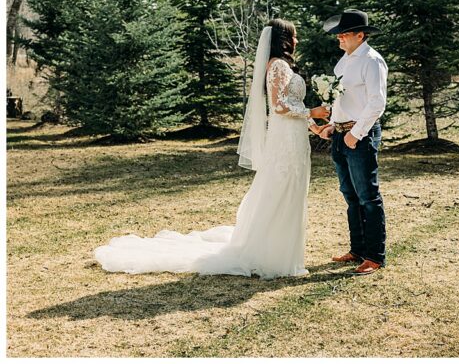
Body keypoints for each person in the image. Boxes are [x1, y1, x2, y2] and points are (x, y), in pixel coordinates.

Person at [94, 19, 331, 279]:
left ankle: (285, 254)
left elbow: (292, 103)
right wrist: (313, 111)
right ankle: (274, 257)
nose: (296, 41)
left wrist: (315, 126)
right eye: (293, 36)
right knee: (281, 192)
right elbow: (278, 107)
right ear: (284, 39)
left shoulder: (284, 66)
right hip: (284, 141)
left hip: (294, 138)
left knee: (292, 191)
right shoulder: (277, 65)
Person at [315, 9, 388, 276]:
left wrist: (355, 134)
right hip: (340, 134)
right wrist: (333, 124)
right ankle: (356, 249)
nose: (340, 39)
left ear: (361, 35)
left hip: (361, 135)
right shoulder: (342, 63)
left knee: (368, 196)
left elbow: (376, 102)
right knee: (350, 195)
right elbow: (341, 100)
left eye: (344, 34)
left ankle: (374, 256)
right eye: (339, 34)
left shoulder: (372, 61)